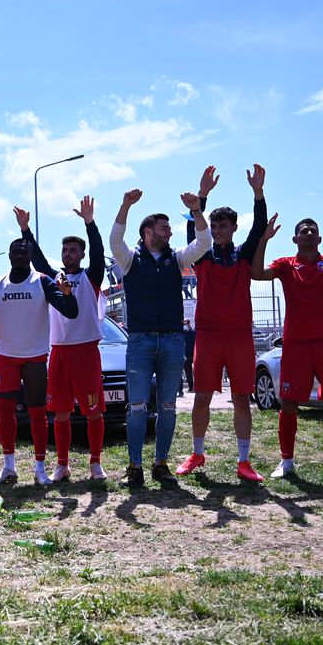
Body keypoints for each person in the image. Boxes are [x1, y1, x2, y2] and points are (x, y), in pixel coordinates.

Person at [252, 207, 323, 481]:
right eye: (304, 230)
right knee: (289, 402)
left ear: (320, 238)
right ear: (295, 239)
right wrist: (264, 238)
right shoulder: (285, 264)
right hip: (296, 344)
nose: (309, 233)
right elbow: (256, 273)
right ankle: (286, 461)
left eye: (313, 230)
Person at [109, 188, 210, 487]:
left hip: (171, 340)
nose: (170, 231)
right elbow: (115, 239)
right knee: (137, 406)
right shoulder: (129, 260)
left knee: (167, 406)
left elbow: (203, 242)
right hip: (140, 342)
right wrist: (125, 204)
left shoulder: (177, 258)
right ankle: (135, 467)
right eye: (164, 227)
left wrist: (197, 212)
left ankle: (161, 464)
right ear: (148, 231)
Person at [0, 236, 78, 485]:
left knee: (38, 414)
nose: (22, 256)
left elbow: (71, 312)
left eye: (26, 252)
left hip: (34, 357)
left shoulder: (42, 282)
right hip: (6, 358)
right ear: (10, 256)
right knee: (4, 412)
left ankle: (40, 469)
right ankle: (8, 467)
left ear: (31, 256)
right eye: (17, 252)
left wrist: (68, 294)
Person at [175, 165, 268, 483]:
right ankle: (197, 454)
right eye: (213, 225)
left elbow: (259, 227)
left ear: (233, 227)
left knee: (242, 397)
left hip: (240, 336)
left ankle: (244, 461)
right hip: (209, 336)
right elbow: (194, 235)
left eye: (222, 225)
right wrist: (200, 199)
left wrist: (258, 193)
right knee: (201, 397)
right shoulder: (202, 256)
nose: (216, 230)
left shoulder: (244, 254)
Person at [16, 195, 110, 483]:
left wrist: (89, 223)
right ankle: (63, 464)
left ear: (80, 255)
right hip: (58, 353)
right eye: (65, 250)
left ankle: (95, 463)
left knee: (94, 411)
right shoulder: (52, 279)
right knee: (60, 412)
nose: (68, 253)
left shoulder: (92, 276)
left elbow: (98, 251)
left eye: (73, 250)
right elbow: (37, 258)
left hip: (86, 352)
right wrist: (25, 230)